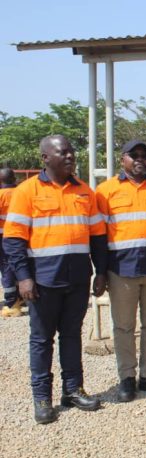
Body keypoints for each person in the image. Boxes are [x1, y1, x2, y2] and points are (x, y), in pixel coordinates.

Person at [3, 135, 107, 424]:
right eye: (63, 153)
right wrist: (23, 278)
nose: (70, 156)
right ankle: (42, 398)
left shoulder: (84, 192)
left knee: (72, 335)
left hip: (77, 278)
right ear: (46, 158)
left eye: (72, 152)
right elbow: (13, 240)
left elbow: (98, 237)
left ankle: (73, 390)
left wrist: (100, 272)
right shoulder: (27, 192)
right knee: (41, 339)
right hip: (42, 280)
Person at [95, 140, 146, 402]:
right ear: (123, 160)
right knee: (123, 327)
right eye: (134, 155)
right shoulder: (105, 191)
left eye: (144, 155)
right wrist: (101, 271)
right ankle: (127, 378)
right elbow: (98, 236)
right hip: (121, 270)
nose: (140, 159)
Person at [0, 168, 22, 317]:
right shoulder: (22, 193)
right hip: (22, 235)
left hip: (4, 236)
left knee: (6, 266)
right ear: (14, 179)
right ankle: (21, 296)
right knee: (21, 264)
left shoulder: (1, 195)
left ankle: (11, 303)